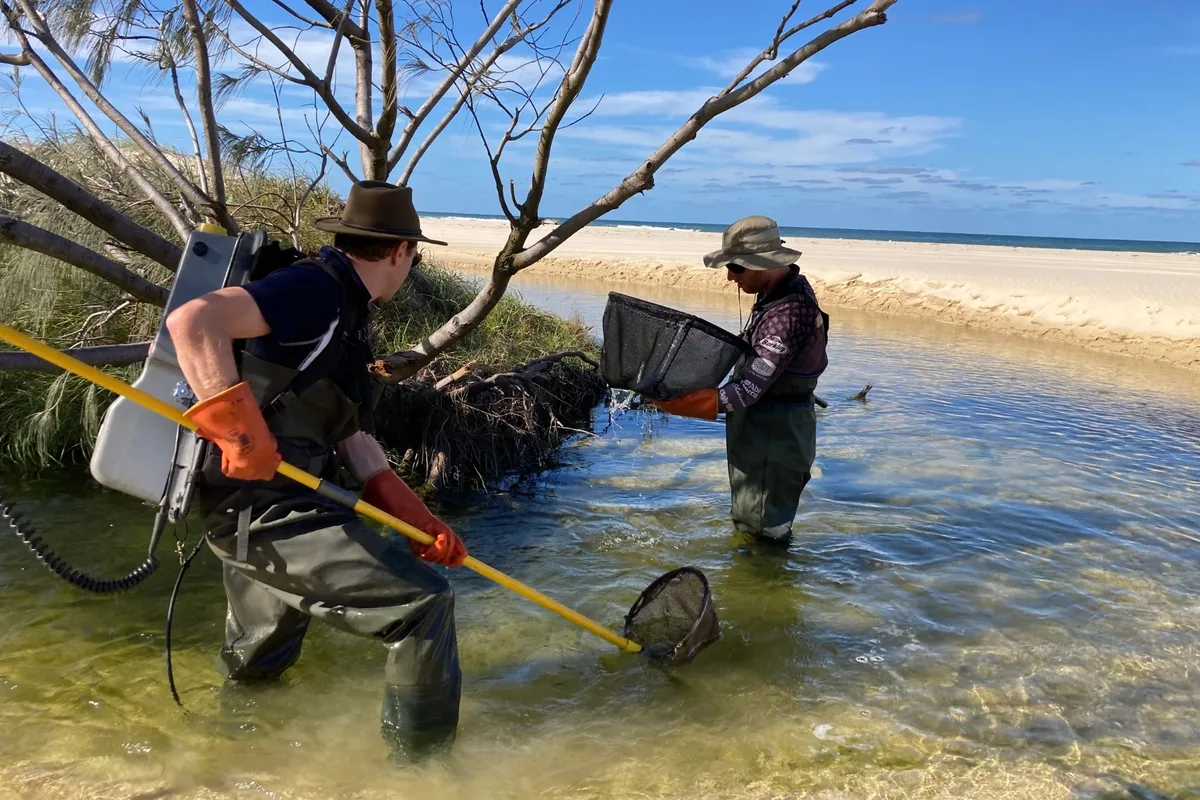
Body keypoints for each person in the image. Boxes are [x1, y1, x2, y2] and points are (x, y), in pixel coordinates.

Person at [164, 180, 468, 761]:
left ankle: (234, 760)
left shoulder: (346, 311)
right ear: (401, 251)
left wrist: (414, 517)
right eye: (416, 255)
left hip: (278, 501)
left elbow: (350, 436)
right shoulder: (315, 290)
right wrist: (236, 428)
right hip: (262, 509)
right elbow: (194, 323)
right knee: (424, 605)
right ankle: (423, 770)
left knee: (259, 660)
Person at [652, 215, 829, 543]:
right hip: (766, 427)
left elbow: (748, 388)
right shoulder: (779, 290)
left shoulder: (787, 314)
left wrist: (682, 404)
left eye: (736, 268)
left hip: (776, 433)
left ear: (763, 264)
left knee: (763, 530)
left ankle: (765, 586)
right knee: (753, 517)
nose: (730, 278)